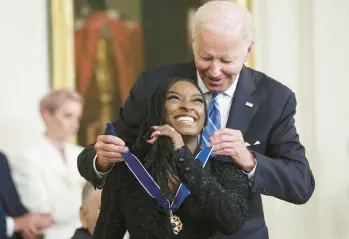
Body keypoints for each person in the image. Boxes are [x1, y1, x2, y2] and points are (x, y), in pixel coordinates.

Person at [77, 1, 315, 239]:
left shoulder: (274, 98)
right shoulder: (153, 85)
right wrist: (102, 160)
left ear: (248, 50)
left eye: (226, 60)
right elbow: (95, 155)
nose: (214, 70)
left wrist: (250, 161)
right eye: (206, 57)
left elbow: (300, 183)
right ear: (193, 43)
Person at [93, 78, 249, 238]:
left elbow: (233, 221)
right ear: (158, 109)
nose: (187, 106)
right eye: (174, 98)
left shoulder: (224, 165)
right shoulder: (127, 171)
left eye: (197, 101)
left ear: (205, 116)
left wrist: (182, 154)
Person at [10, 89, 86, 239]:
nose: (74, 124)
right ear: (46, 115)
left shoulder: (83, 154)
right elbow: (43, 212)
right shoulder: (27, 159)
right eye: (68, 116)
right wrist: (87, 191)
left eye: (78, 118)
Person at [0, 151, 55, 239]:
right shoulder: (26, 159)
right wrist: (16, 224)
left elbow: (14, 206)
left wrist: (33, 226)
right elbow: (18, 222)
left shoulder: (1, 160)